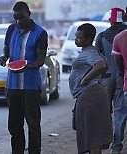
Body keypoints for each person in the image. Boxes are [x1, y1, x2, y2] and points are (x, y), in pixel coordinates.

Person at [0, 1, 48, 154]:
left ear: (29, 14)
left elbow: (41, 59)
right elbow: (6, 48)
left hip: (30, 87)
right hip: (12, 87)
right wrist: (4, 57)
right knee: (14, 125)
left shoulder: (40, 33)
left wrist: (28, 67)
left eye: (21, 18)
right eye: (16, 18)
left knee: (33, 126)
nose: (18, 21)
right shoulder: (11, 29)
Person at [69, 23, 113, 154]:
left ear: (88, 39)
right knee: (93, 136)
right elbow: (105, 64)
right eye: (76, 37)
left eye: (79, 37)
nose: (76, 39)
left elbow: (100, 65)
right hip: (92, 94)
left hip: (90, 94)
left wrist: (85, 78)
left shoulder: (90, 52)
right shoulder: (91, 51)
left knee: (93, 137)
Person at [95, 7, 127, 153]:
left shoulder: (101, 36)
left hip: (105, 77)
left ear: (110, 20)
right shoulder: (124, 35)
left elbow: (97, 58)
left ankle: (104, 141)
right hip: (122, 76)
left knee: (105, 110)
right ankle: (117, 144)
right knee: (120, 111)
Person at [111, 10, 127, 154]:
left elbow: (118, 62)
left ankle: (116, 145)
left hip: (119, 79)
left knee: (120, 114)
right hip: (120, 79)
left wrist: (122, 72)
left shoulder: (119, 38)